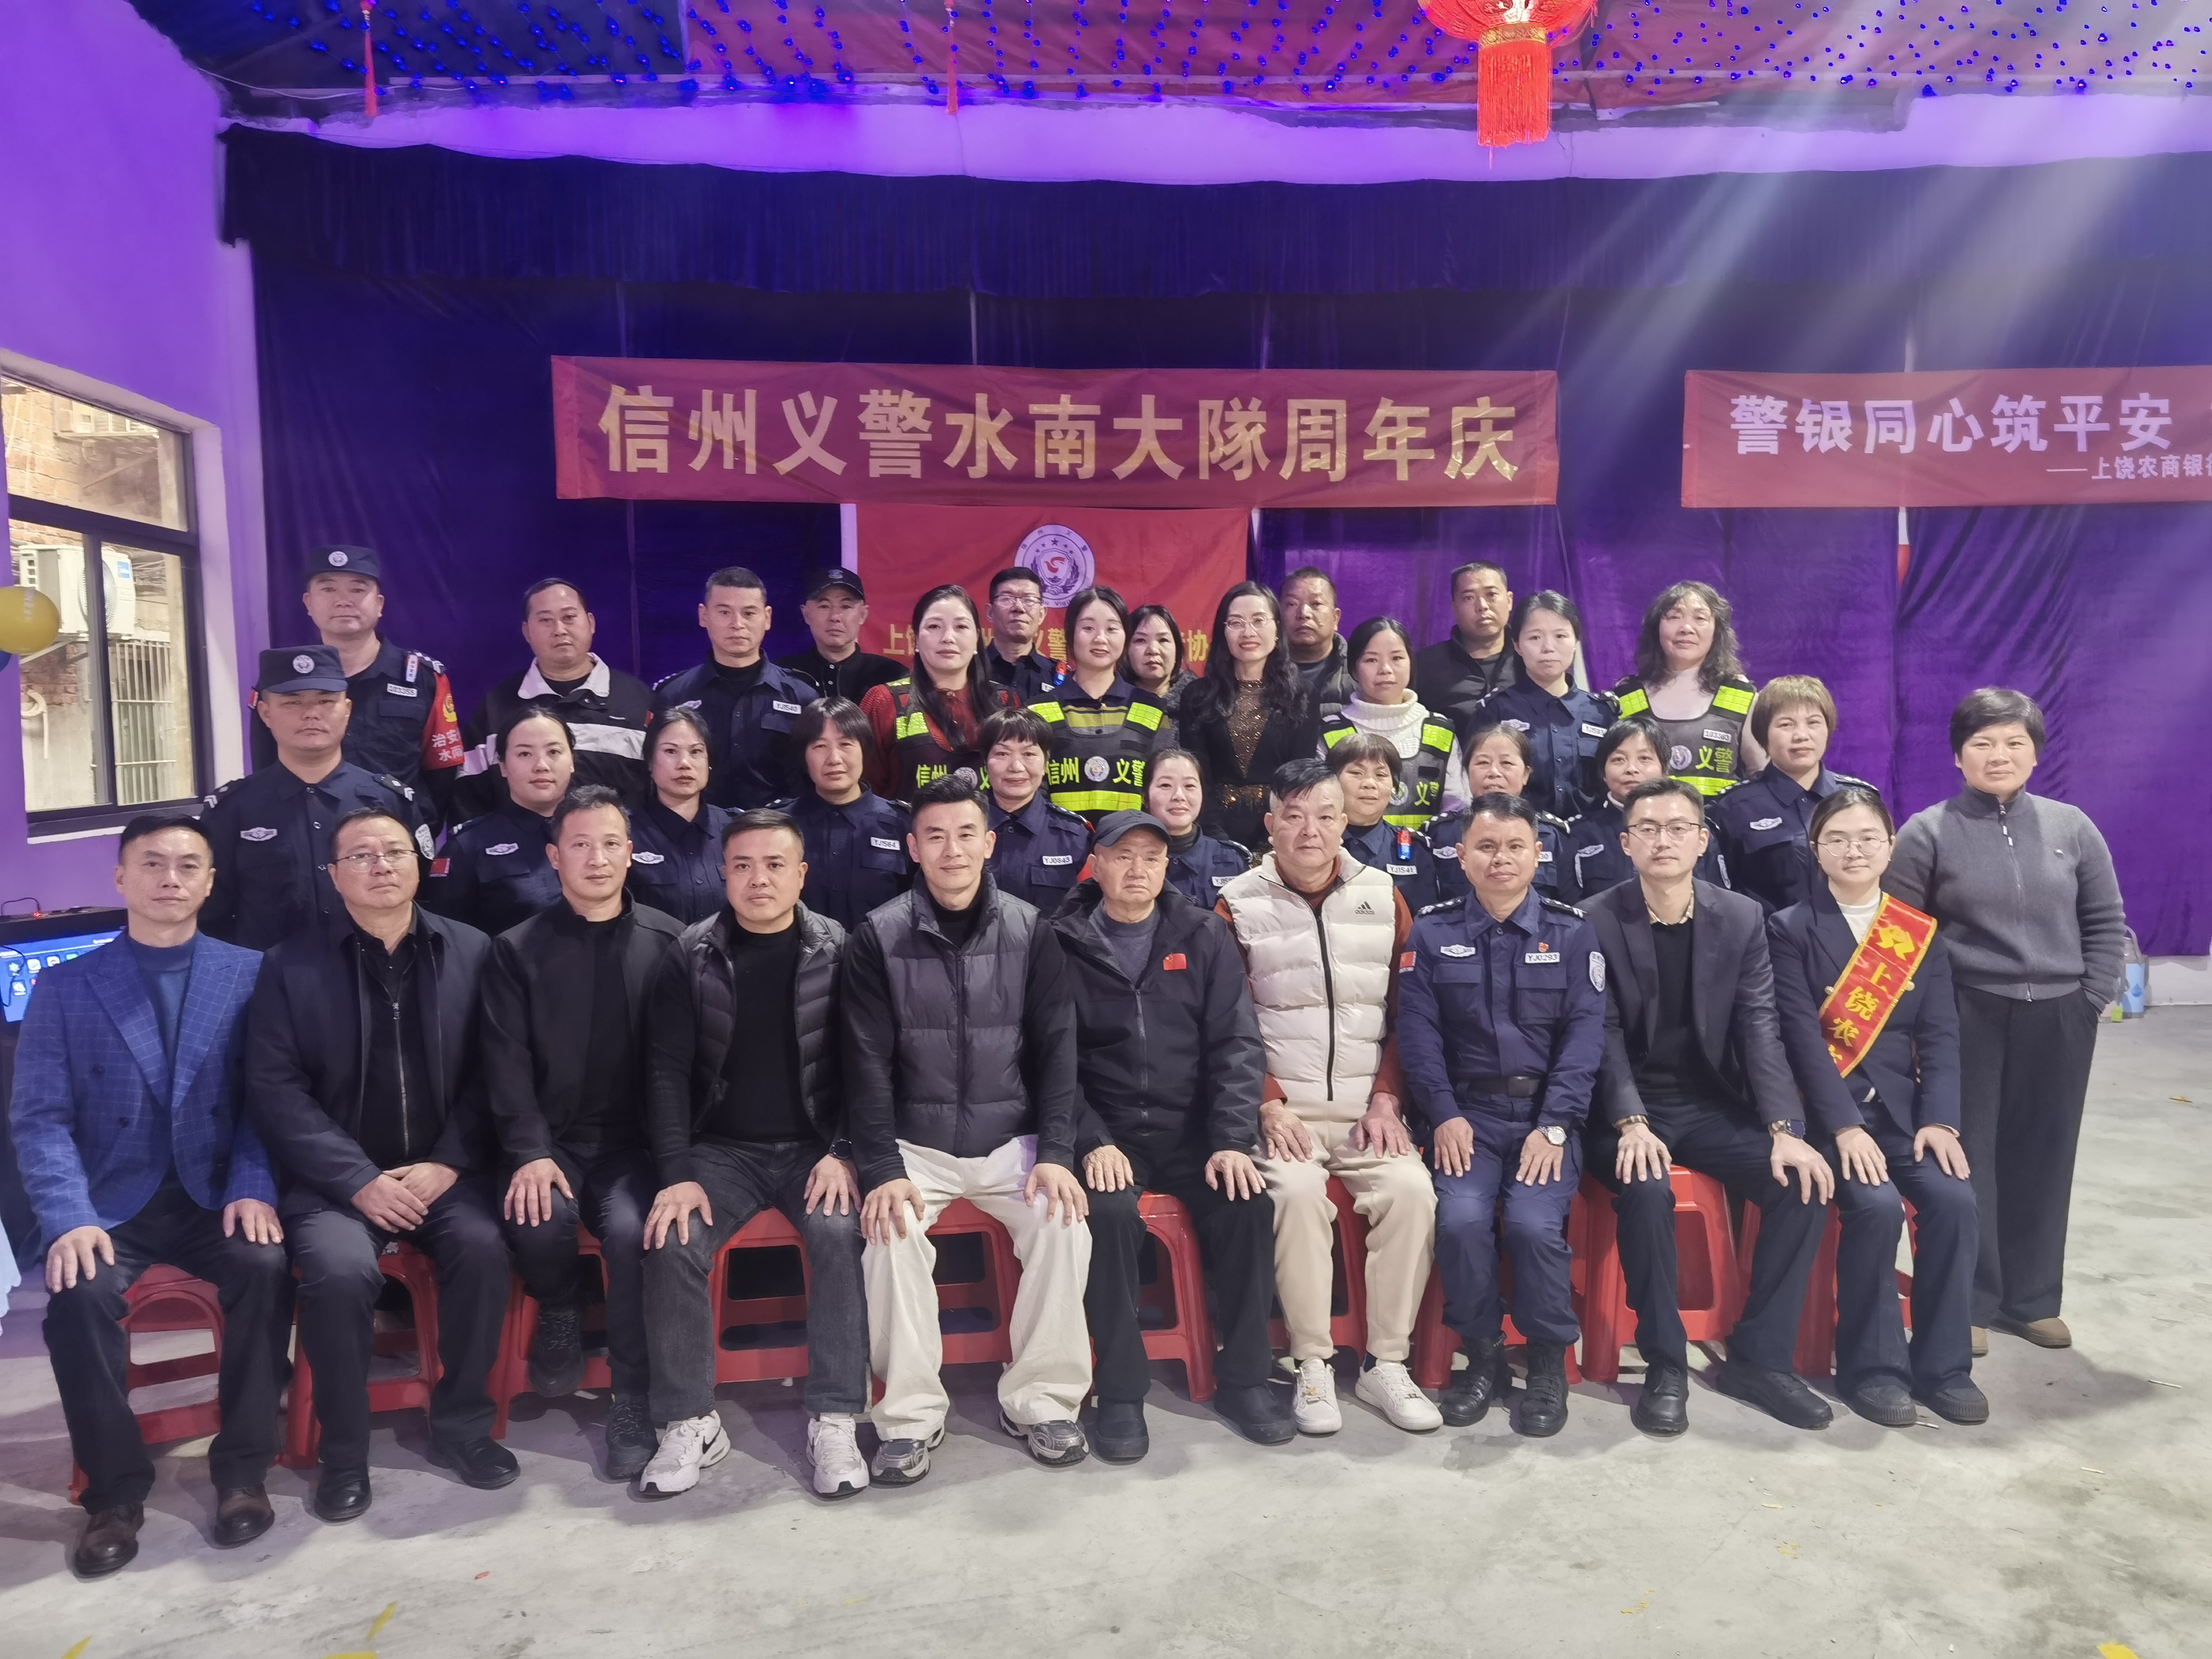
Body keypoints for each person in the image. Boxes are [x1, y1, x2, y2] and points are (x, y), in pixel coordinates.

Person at [13, 815, 291, 1575]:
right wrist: (70, 1217)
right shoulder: (65, 986)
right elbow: (39, 1118)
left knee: (266, 1268)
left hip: (214, 1194)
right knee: (77, 1296)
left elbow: (270, 1099)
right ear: (120, 877)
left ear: (211, 881)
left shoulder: (252, 974)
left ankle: (243, 1470)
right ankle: (114, 1494)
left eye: (188, 865)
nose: (171, 878)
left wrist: (253, 1184)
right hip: (112, 1204)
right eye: (153, 863)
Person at [246, 808, 513, 1520]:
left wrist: (450, 1161)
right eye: (361, 856)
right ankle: (344, 1454)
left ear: (418, 864)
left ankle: (463, 1427)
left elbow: (497, 1072)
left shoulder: (474, 950)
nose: (381, 866)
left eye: (394, 852)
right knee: (338, 1275)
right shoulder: (289, 966)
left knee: (484, 1249)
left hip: (443, 1173)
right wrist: (356, 1179)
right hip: (335, 1184)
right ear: (334, 876)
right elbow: (275, 1089)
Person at [844, 776, 1093, 1481]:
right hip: (915, 1147)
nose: (950, 850)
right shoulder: (877, 936)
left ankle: (1042, 1401)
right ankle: (910, 1418)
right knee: (888, 1233)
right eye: (935, 836)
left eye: (964, 835)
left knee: (1063, 1223)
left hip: (1010, 1141)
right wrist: (881, 1169)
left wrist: (1057, 1152)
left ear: (988, 844)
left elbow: (1058, 1050)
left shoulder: (1029, 930)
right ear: (913, 848)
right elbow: (864, 1065)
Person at [1581, 778, 1836, 1437]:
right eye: (1647, 829)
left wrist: (1784, 1128)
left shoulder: (1741, 917)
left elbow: (1758, 1025)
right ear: (1626, 843)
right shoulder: (1594, 919)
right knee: (1646, 1189)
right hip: (1622, 1111)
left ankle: (1759, 1359)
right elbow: (1600, 1032)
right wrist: (1630, 1120)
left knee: (1801, 1183)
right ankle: (1665, 1364)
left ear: (1701, 841)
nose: (1662, 841)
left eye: (1677, 829)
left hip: (1708, 1104)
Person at [1884, 687, 2126, 1355]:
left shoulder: (2071, 827)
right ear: (1958, 755)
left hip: (2060, 1015)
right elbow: (1901, 937)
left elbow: (2104, 920)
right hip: (1968, 1014)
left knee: (2045, 1155)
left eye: (2014, 742)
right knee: (1965, 1160)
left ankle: (2032, 1299)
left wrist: (2089, 999)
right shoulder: (1927, 832)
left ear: (2035, 753)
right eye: (1983, 743)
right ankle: (1970, 1302)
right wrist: (1925, 1022)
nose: (1999, 755)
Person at [638, 810, 871, 1500]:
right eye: (743, 865)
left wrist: (843, 1151)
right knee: (672, 1240)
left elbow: (868, 1065)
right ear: (723, 874)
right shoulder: (691, 953)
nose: (758, 879)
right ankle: (689, 1420)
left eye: (774, 865)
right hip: (723, 1150)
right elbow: (665, 1072)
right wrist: (677, 1174)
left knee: (838, 1233)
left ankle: (834, 1417)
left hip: (815, 1151)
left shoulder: (840, 949)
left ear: (801, 874)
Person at [1056, 811, 1293, 1458]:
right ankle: (1120, 1392)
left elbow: (1237, 1044)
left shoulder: (1202, 933)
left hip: (1193, 1132)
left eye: (1151, 857)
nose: (1137, 869)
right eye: (1122, 855)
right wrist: (1091, 1140)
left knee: (1247, 1204)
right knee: (1105, 1216)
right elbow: (1050, 1061)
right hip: (1110, 1137)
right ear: (1096, 865)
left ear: (1167, 867)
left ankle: (1245, 1380)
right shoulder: (1060, 941)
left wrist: (1229, 1139)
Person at [1216, 761, 1441, 1436]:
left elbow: (1410, 1015)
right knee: (1292, 1196)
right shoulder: (1234, 904)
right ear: (1270, 825)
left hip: (1367, 1112)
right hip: (1282, 1114)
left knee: (1412, 1193)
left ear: (1346, 822)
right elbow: (1223, 1022)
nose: (1308, 830)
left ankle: (1385, 1363)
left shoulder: (1383, 895)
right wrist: (1266, 1102)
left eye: (1323, 815)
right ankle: (1311, 1363)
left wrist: (1387, 1098)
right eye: (1293, 816)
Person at [480, 785, 683, 1481]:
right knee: (538, 1220)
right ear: (554, 857)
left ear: (630, 853)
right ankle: (560, 1303)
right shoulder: (515, 950)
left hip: (633, 1147)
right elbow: (504, 1065)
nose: (596, 859)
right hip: (551, 1143)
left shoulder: (669, 941)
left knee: (631, 1234)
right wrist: (530, 1153)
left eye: (610, 844)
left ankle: (632, 1401)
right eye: (580, 845)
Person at [1769, 786, 1985, 1426]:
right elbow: (1801, 1041)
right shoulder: (1789, 929)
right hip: (1824, 1118)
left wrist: (1939, 1120)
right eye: (1837, 839)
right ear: (1815, 850)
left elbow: (1940, 1036)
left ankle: (1943, 1367)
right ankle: (1873, 1369)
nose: (1853, 850)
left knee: (1954, 1203)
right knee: (1876, 1207)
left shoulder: (1917, 934)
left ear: (1889, 847)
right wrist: (1841, 1127)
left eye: (1867, 838)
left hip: (1901, 1116)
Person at [1397, 794, 1603, 1437]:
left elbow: (1585, 1037)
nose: (1501, 859)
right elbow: (1418, 1036)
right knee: (1460, 1221)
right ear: (1461, 857)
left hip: (1545, 1116)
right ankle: (1482, 1356)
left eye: (1515, 846)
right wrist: (1442, 1114)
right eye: (1486, 847)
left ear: (1538, 854)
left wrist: (1556, 1124)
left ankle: (1545, 1361)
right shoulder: (1432, 933)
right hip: (1467, 1116)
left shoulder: (1571, 932)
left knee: (1533, 1227)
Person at [201, 647, 430, 952]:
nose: (311, 714)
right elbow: (211, 913)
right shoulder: (233, 810)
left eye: (325, 701)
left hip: (374, 973)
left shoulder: (388, 802)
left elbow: (423, 898)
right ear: (266, 713)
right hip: (269, 977)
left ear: (347, 709)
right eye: (293, 702)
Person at [251, 545, 463, 828]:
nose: (343, 601)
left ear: (380, 604)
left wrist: (417, 831)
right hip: (305, 833)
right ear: (308, 603)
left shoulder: (422, 678)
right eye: (328, 589)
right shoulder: (280, 682)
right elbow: (266, 766)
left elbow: (442, 771)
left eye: (357, 589)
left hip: (394, 838)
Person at [455, 578, 655, 818]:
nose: (559, 630)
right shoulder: (496, 707)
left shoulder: (638, 701)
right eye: (545, 620)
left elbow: (661, 789)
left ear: (591, 623)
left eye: (569, 617)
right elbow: (468, 800)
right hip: (517, 843)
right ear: (527, 632)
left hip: (616, 842)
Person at [650, 567, 817, 810]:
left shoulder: (801, 696)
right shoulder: (674, 695)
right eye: (724, 612)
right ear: (704, 616)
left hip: (779, 826)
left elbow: (813, 778)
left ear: (767, 618)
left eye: (749, 613)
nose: (737, 624)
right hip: (696, 828)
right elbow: (656, 776)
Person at [1710, 676, 1874, 915]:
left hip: (1853, 934)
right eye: (1786, 725)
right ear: (1763, 734)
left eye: (1813, 723)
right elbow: (1719, 894)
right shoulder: (1732, 807)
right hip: (1769, 937)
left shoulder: (1861, 799)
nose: (1801, 735)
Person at [1179, 583, 1321, 849]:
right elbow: (1197, 776)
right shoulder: (1197, 696)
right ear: (1223, 632)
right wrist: (1217, 840)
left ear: (1277, 630)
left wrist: (1271, 842)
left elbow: (1299, 776)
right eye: (1236, 623)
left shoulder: (1302, 695)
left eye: (1258, 621)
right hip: (1211, 832)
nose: (1248, 632)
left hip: (1280, 832)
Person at [860, 585, 1022, 803]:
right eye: (934, 626)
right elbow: (866, 791)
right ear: (916, 639)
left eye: (961, 626)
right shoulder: (884, 702)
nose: (948, 637)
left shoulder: (1005, 700)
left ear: (977, 638)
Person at [424, 708, 573, 937]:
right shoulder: (467, 847)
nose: (541, 765)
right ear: (503, 766)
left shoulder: (606, 836)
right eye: (525, 754)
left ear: (572, 761)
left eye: (554, 751)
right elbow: (446, 940)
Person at [1471, 591, 1618, 821]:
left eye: (1560, 636)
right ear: (1517, 646)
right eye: (1535, 638)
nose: (1548, 647)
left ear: (1576, 642)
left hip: (1590, 835)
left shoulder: (1601, 712)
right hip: (1520, 832)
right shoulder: (1496, 711)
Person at [1028, 585, 1170, 822]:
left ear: (1126, 637)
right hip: (1058, 841)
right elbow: (1031, 791)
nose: (1100, 639)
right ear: (1070, 635)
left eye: (1112, 629)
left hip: (1133, 841)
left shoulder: (1152, 708)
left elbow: (1164, 785)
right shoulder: (1037, 710)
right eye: (1088, 628)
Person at [1609, 581, 1763, 798]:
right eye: (1674, 617)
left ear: (1717, 631)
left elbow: (1760, 774)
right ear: (1656, 628)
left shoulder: (1741, 696)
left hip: (1722, 820)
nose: (1686, 628)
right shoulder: (1625, 697)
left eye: (1700, 618)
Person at [1320, 616, 1466, 831]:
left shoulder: (1440, 730)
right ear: (1354, 669)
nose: (1385, 669)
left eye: (1397, 658)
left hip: (1431, 851)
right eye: (1371, 660)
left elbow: (1458, 809)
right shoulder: (1332, 732)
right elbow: (1323, 810)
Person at [780, 697, 914, 930]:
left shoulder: (901, 825)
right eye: (820, 746)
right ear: (804, 757)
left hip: (881, 952)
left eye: (846, 744)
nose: (834, 759)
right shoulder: (779, 827)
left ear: (865, 751)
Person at [1562, 719, 1729, 906]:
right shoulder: (1578, 834)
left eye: (1644, 759)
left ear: (1664, 768)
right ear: (1603, 773)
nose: (1631, 769)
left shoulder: (1693, 829)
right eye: (1618, 760)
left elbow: (1717, 901)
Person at [1425, 724, 1572, 906]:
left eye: (1506, 764)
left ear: (1526, 775)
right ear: (1467, 772)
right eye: (1483, 763)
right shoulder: (1440, 833)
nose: (1494, 772)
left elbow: (1569, 902)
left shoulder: (1553, 835)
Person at [623, 707, 734, 926]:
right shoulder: (625, 831)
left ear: (709, 763)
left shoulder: (736, 830)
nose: (684, 763)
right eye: (671, 751)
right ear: (650, 762)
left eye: (696, 752)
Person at [980, 707, 1094, 916]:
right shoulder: (960, 828)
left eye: (1029, 754)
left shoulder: (1076, 836)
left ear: (1045, 764)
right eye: (1002, 754)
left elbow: (1089, 912)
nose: (1016, 767)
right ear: (986, 763)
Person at [1327, 733, 1444, 913]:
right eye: (1357, 773)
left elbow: (1424, 919)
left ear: (1394, 786)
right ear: (1332, 781)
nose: (1369, 784)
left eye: (1381, 775)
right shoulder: (1315, 842)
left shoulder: (1414, 848)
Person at [1413, 560, 1518, 737]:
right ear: (1454, 607)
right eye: (1469, 598)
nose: (1482, 606)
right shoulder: (1423, 666)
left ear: (1509, 601)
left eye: (1491, 594)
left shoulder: (1530, 660)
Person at [775, 567, 905, 705]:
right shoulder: (783, 674)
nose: (835, 617)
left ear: (863, 615)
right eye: (824, 606)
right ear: (806, 614)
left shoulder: (892, 676)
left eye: (846, 606)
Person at [1145, 747, 1251, 908]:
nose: (1179, 796)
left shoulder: (1230, 859)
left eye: (1189, 786)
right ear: (1145, 797)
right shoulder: (1132, 860)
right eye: (1166, 785)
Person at [1280, 567, 1356, 723]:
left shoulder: (1359, 670)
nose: (1304, 613)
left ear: (1335, 619)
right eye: (1292, 604)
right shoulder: (1260, 670)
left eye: (1316, 603)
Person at [984, 567, 1067, 704]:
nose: (1019, 608)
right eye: (1007, 598)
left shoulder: (1058, 677)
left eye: (1029, 600)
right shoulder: (969, 669)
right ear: (990, 613)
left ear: (1041, 615)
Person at [1123, 603, 1195, 714]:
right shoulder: (1109, 702)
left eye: (1163, 640)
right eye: (1141, 640)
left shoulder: (1202, 701)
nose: (1153, 650)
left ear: (1177, 648)